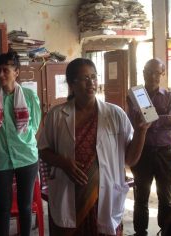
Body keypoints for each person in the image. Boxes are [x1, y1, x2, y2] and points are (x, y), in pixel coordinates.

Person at [38, 58, 150, 236]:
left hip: (104, 198)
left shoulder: (115, 114)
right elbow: (43, 150)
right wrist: (64, 163)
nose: (91, 83)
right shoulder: (57, 116)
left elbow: (130, 159)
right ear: (71, 84)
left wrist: (141, 131)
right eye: (84, 78)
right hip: (70, 196)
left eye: (93, 77)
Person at [0, 51, 41, 236]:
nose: (0, 74)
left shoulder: (29, 96)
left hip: (26, 157)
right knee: (3, 209)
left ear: (16, 72)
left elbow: (34, 125)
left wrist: (21, 140)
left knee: (25, 207)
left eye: (5, 70)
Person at [128, 58, 171, 236]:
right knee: (141, 197)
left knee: (165, 196)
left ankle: (166, 231)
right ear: (142, 72)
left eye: (156, 73)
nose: (152, 76)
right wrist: (167, 118)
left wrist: (154, 118)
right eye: (148, 72)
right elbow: (145, 119)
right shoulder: (136, 94)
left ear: (162, 73)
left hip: (165, 153)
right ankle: (140, 232)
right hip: (142, 152)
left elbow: (152, 119)